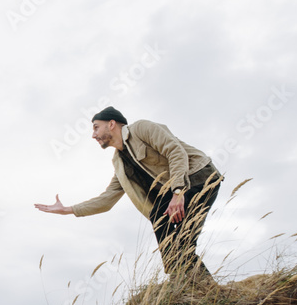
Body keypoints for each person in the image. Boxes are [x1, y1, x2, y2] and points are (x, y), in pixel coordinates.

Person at [35, 106, 222, 284]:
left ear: (111, 124)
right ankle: (195, 285)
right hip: (177, 192)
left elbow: (175, 151)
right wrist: (68, 210)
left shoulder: (141, 129)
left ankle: (180, 279)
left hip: (199, 177)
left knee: (167, 223)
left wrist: (178, 192)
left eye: (96, 128)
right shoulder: (119, 162)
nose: (93, 135)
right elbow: (107, 199)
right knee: (174, 235)